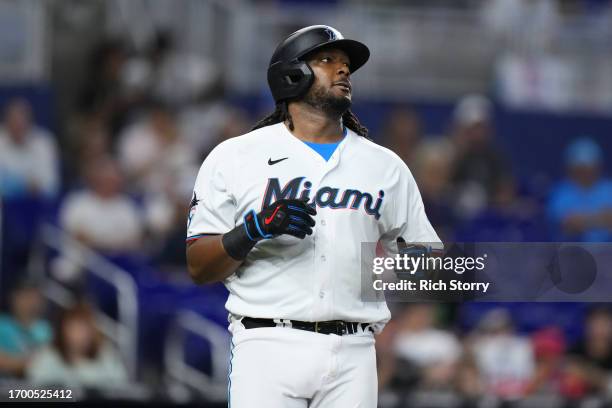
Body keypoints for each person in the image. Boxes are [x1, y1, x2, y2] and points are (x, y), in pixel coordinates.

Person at [186, 25, 441, 407]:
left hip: (355, 349)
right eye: (327, 60)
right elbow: (198, 266)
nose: (343, 71)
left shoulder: (384, 165)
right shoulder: (235, 156)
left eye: (346, 64)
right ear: (291, 75)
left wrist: (393, 269)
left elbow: (429, 259)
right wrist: (252, 229)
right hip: (267, 343)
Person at [27, 303, 127, 388]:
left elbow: (120, 389)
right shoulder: (47, 355)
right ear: (63, 330)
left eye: (83, 328)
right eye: (74, 328)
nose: (79, 335)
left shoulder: (106, 354)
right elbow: (35, 389)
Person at [548, 137, 612, 242]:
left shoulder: (608, 189)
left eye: (589, 167)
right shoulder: (561, 192)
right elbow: (568, 224)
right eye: (580, 167)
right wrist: (601, 219)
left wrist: (583, 220)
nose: (585, 173)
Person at [0, 281, 52, 379]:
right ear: (14, 298)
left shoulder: (45, 328)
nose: (30, 302)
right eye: (25, 296)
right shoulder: (2, 325)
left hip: (39, 387)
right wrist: (29, 364)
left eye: (34, 296)